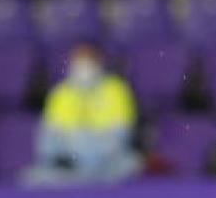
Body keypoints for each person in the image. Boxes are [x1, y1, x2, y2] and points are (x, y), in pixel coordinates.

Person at [25, 42, 141, 185]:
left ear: (99, 61)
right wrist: (72, 155)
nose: (84, 65)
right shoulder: (60, 93)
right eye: (79, 60)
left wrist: (88, 152)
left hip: (107, 165)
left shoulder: (116, 90)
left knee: (131, 165)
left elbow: (120, 139)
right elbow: (47, 143)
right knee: (33, 177)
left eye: (88, 59)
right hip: (69, 166)